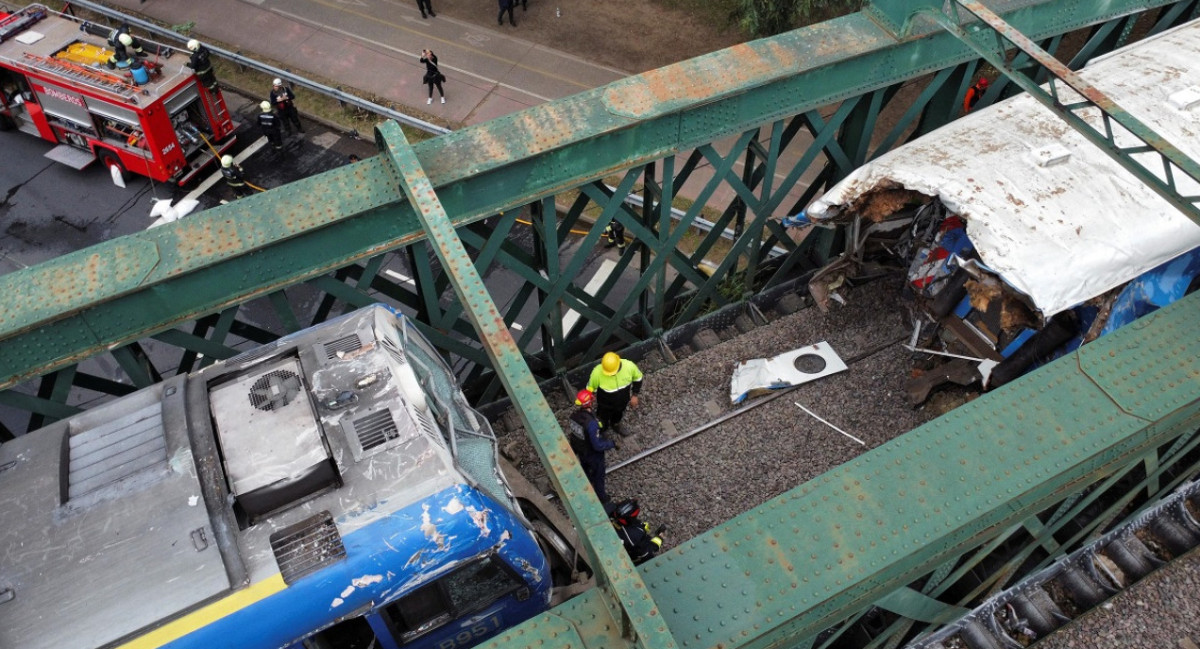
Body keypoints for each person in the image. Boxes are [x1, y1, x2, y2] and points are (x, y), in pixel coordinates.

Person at [567, 389, 616, 503]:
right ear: (589, 402)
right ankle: (602, 497)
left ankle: (588, 484)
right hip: (593, 454)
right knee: (598, 475)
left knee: (586, 469)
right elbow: (597, 445)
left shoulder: (574, 416)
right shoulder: (591, 423)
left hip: (580, 450)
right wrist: (611, 444)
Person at [586, 352, 643, 436]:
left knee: (619, 413)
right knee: (602, 418)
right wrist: (588, 405)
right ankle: (602, 429)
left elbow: (638, 378)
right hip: (604, 405)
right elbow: (589, 390)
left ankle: (615, 424)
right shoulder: (597, 372)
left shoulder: (629, 366)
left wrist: (635, 395)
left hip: (622, 402)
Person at [606, 499, 664, 565]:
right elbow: (646, 552)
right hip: (631, 558)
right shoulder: (634, 536)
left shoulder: (608, 511)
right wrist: (659, 539)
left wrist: (640, 526)